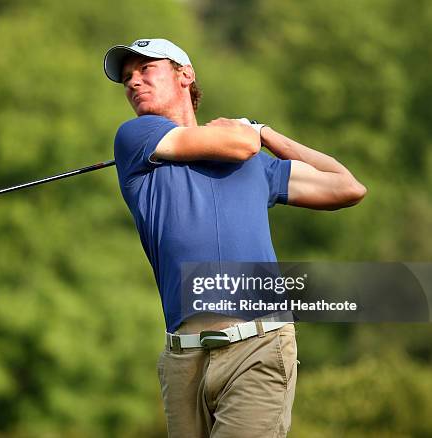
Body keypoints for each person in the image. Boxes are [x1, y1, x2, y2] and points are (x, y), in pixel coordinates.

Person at [103, 38, 366, 438]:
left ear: (185, 76)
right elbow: (239, 142)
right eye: (127, 78)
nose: (133, 82)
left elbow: (347, 187)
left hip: (258, 347)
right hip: (184, 360)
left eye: (145, 70)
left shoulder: (255, 166)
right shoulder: (136, 139)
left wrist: (268, 134)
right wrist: (247, 133)